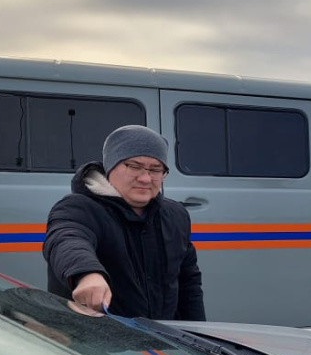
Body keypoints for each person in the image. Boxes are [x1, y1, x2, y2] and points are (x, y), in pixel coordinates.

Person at [43, 125, 205, 320]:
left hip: (162, 343)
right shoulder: (78, 207)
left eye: (156, 169)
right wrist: (86, 273)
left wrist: (197, 336)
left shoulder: (176, 215)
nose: (145, 178)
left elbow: (189, 285)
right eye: (134, 166)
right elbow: (66, 238)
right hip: (96, 345)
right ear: (111, 167)